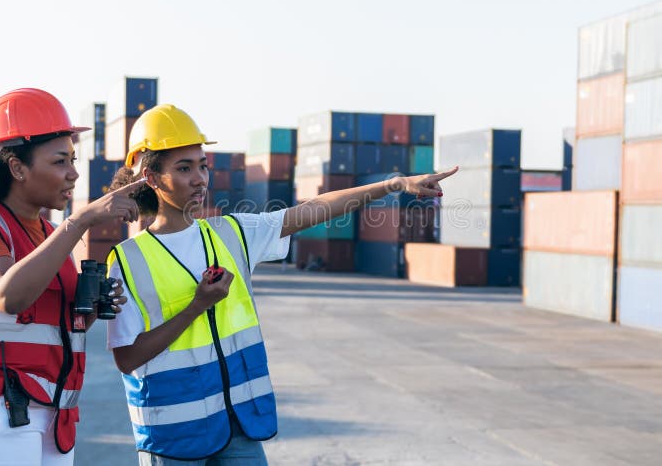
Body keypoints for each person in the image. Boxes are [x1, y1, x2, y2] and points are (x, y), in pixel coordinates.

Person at [106, 104, 457, 465]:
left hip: (238, 426)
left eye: (202, 165)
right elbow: (127, 357)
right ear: (150, 177)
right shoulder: (128, 260)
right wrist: (197, 307)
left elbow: (314, 208)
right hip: (174, 434)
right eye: (184, 168)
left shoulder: (233, 233)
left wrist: (394, 184)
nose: (200, 179)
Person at [0, 88, 142, 466]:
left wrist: (92, 308)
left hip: (52, 417)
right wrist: (80, 221)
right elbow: (8, 296)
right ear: (17, 167)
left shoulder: (50, 236)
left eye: (73, 159)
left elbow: (52, 325)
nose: (74, 173)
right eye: (60, 160)